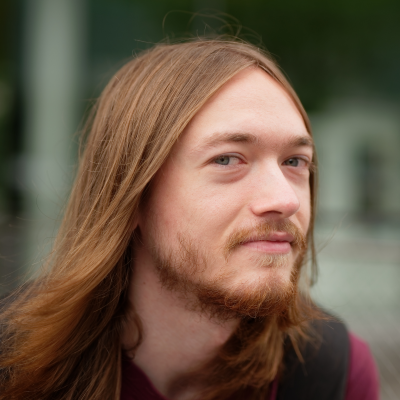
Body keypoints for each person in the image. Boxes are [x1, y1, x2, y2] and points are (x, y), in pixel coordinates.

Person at [0, 39, 379, 400]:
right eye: (227, 159)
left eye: (294, 161)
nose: (285, 200)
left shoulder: (332, 372)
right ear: (133, 196)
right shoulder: (15, 366)